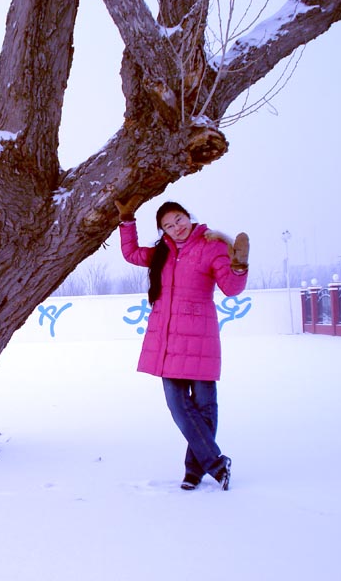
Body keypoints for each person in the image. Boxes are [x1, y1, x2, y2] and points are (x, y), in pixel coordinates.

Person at [115, 198, 249, 491]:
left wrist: (238, 267)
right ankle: (215, 463)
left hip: (200, 338)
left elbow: (230, 288)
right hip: (166, 339)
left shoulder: (212, 246)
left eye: (178, 220)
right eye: (168, 225)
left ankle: (194, 470)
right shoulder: (162, 252)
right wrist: (127, 220)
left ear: (189, 217)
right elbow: (132, 254)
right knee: (178, 406)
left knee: (204, 408)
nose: (176, 228)